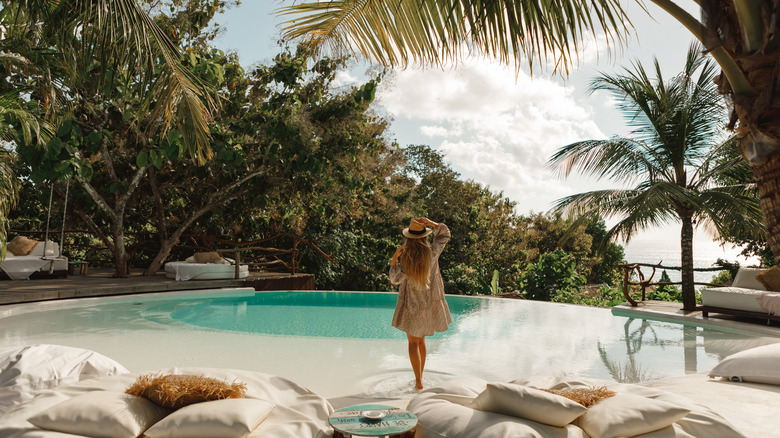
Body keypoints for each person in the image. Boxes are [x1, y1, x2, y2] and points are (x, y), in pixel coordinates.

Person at [389, 217, 451, 390]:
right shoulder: (432, 252)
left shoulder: (406, 258)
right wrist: (431, 223)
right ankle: (420, 380)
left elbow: (395, 280)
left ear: (409, 238)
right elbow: (445, 234)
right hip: (428, 304)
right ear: (424, 236)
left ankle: (418, 381)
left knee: (412, 343)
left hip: (411, 304)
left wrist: (395, 258)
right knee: (421, 342)